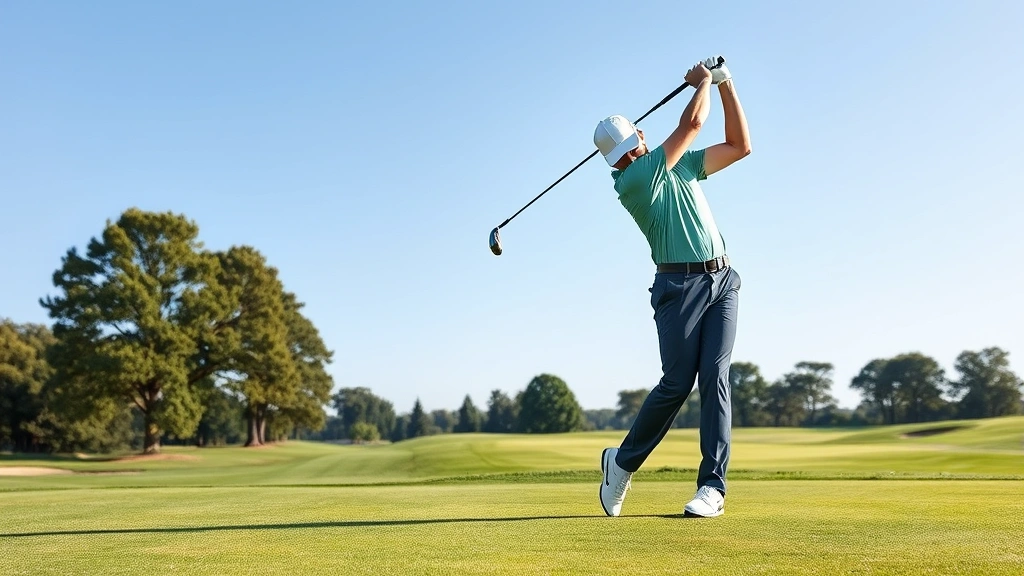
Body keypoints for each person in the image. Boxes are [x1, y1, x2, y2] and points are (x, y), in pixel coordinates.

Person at [592, 55, 751, 518]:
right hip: (678, 289)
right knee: (678, 383)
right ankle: (621, 464)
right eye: (632, 143)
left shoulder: (676, 166)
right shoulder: (634, 181)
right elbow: (694, 123)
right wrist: (702, 82)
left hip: (722, 280)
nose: (637, 144)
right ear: (624, 153)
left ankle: (712, 489)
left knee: (716, 379)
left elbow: (740, 146)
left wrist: (726, 84)